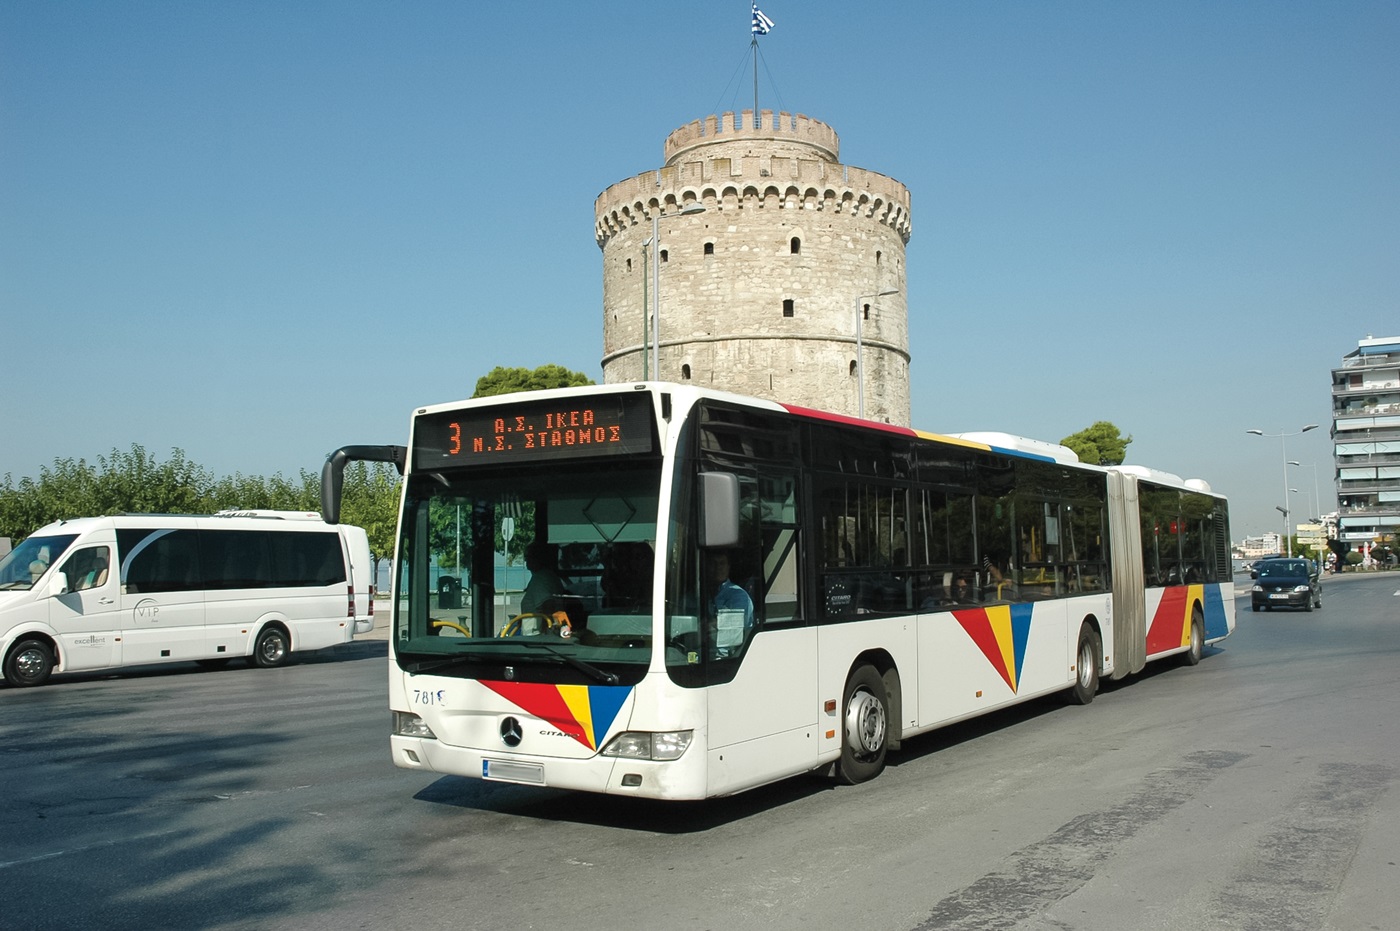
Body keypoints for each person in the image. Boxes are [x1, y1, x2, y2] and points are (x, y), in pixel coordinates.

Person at [704, 550, 754, 655]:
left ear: (728, 567)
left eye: (722, 563)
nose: (718, 568)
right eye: (713, 563)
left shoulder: (738, 595)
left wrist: (705, 625)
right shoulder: (698, 593)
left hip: (728, 658)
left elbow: (728, 628)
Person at [520, 541, 567, 615]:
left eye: (528, 556)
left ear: (538, 558)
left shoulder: (540, 579)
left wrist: (545, 622)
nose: (526, 560)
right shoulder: (548, 576)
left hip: (537, 622)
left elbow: (548, 605)